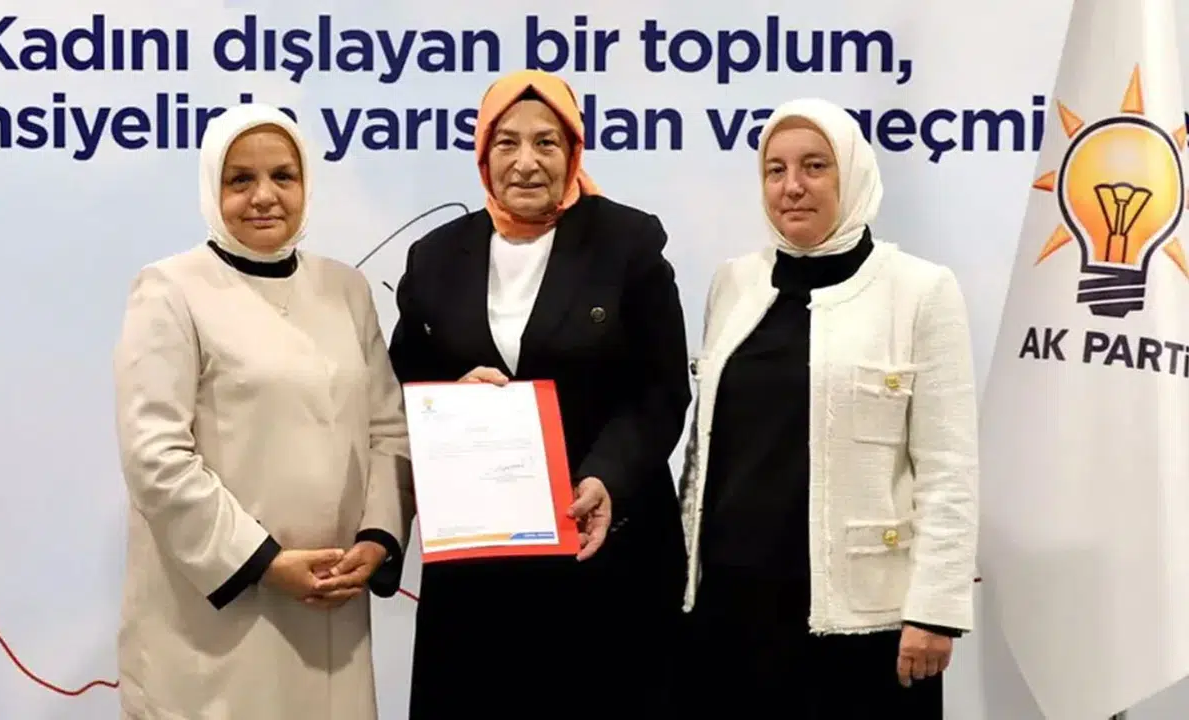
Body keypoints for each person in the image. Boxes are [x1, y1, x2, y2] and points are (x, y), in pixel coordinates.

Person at [388, 69, 692, 719]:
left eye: (546, 142)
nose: (526, 162)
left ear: (573, 150)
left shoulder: (630, 244)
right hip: (477, 573)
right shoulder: (434, 258)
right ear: (482, 152)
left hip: (603, 552)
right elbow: (399, 387)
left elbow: (661, 390)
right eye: (507, 142)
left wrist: (606, 477)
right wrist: (448, 397)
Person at [678, 97, 979, 718]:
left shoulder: (920, 290)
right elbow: (706, 450)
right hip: (732, 607)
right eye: (776, 169)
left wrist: (935, 611)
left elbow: (949, 468)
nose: (792, 186)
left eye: (815, 166)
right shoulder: (733, 282)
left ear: (853, 173)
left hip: (863, 623)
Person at [111, 104, 412, 720]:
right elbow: (156, 457)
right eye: (240, 179)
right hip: (217, 618)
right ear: (211, 187)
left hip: (332, 607)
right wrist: (264, 562)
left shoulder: (346, 289)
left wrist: (377, 539)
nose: (264, 196)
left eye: (283, 176)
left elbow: (388, 428)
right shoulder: (170, 289)